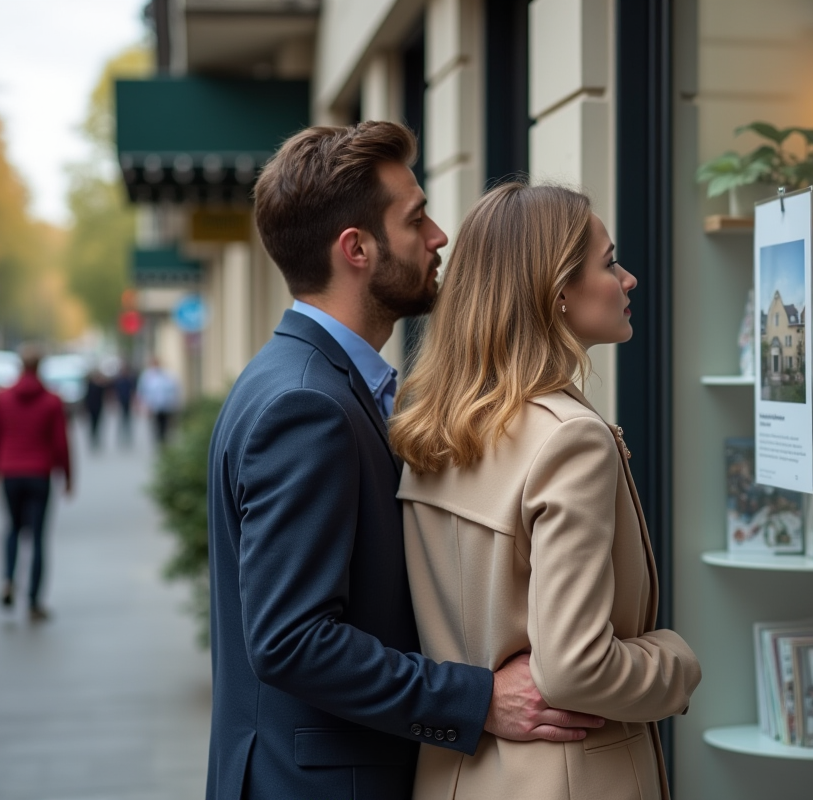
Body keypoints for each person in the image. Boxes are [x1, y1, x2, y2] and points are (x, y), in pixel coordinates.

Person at [205, 123, 602, 800]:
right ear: (356, 249)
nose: (440, 237)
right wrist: (477, 700)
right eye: (416, 219)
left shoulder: (307, 380)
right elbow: (291, 641)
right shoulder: (307, 407)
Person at [391, 183, 702, 799]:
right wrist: (676, 664)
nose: (629, 279)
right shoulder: (570, 441)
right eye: (610, 262)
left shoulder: (433, 426)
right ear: (558, 291)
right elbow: (576, 667)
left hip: (455, 775)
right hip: (566, 778)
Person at [0, 343, 72, 622]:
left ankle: (8, 579)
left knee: (12, 528)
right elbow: (60, 443)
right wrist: (68, 476)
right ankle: (34, 602)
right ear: (40, 367)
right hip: (39, 474)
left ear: (20, 366)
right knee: (38, 537)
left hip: (10, 472)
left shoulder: (2, 398)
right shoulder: (52, 400)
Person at [135, 357, 179, 445]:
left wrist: (174, 402)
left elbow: (173, 389)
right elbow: (141, 391)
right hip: (152, 405)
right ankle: (158, 439)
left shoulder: (167, 374)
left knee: (164, 423)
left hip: (165, 405)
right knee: (155, 424)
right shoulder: (147, 375)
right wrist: (142, 405)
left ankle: (163, 439)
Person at [82, 368, 108, 451]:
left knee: (97, 422)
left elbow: (107, 387)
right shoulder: (90, 384)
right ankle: (92, 437)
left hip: (98, 407)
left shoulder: (100, 386)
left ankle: (96, 437)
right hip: (92, 407)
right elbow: (87, 396)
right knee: (92, 423)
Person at [111, 361, 136, 447]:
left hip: (127, 401)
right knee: (121, 419)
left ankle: (127, 435)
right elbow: (115, 391)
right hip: (120, 401)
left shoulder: (129, 379)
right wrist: (114, 401)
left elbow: (132, 391)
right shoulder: (118, 380)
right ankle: (121, 435)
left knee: (127, 418)